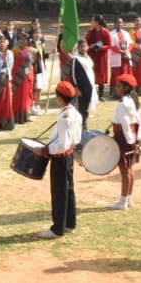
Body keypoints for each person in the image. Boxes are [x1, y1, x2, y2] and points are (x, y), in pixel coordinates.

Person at [34, 81, 82, 239]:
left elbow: (62, 145)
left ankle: (57, 228)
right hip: (68, 156)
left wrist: (44, 150)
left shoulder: (65, 117)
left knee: (59, 192)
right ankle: (69, 222)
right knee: (68, 189)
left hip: (60, 158)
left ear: (61, 98)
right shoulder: (75, 113)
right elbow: (76, 139)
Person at [108, 74, 141, 210]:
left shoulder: (123, 104)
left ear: (126, 87)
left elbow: (125, 124)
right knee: (129, 169)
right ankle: (128, 198)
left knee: (124, 171)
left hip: (124, 138)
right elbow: (138, 122)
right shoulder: (134, 101)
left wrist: (130, 142)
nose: (116, 88)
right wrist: (138, 140)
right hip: (130, 137)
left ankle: (123, 202)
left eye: (119, 86)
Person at [70, 39, 97, 130]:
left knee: (86, 107)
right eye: (81, 46)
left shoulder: (87, 58)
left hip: (89, 86)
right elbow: (73, 74)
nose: (83, 48)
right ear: (78, 48)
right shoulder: (76, 59)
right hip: (81, 87)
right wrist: (76, 87)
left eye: (85, 46)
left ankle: (84, 123)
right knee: (81, 107)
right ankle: (80, 125)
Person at [86, 15, 111, 100]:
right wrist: (92, 46)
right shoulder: (91, 32)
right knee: (91, 73)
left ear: (97, 22)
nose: (91, 22)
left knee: (101, 74)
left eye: (92, 20)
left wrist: (101, 47)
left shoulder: (105, 32)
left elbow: (109, 44)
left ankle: (101, 95)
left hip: (101, 57)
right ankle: (91, 94)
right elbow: (87, 43)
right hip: (92, 56)